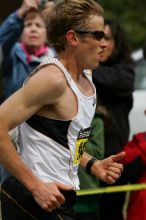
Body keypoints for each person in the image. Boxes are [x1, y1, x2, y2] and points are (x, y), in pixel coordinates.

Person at [0, 1, 125, 220]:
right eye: (98, 35)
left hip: (61, 198)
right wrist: (36, 186)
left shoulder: (87, 78)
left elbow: (63, 140)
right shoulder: (53, 79)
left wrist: (92, 165)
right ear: (73, 38)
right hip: (31, 198)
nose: (104, 44)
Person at [92, 19, 135, 220]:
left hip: (112, 162)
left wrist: (84, 66)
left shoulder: (124, 72)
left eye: (106, 38)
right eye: (96, 36)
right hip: (84, 160)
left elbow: (114, 80)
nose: (101, 43)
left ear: (116, 44)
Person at [0, 0, 55, 99]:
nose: (33, 29)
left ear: (47, 35)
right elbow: (2, 41)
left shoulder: (58, 58)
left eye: (38, 25)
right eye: (28, 25)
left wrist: (56, 14)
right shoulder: (11, 55)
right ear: (19, 34)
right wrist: (20, 13)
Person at [74, 105, 105, 220]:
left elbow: (97, 154)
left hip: (86, 193)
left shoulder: (96, 121)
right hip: (63, 192)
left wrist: (74, 136)